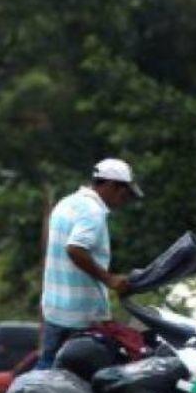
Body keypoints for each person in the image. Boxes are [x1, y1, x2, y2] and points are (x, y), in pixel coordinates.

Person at [37, 158, 141, 369]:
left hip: (55, 309)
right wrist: (109, 279)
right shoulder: (93, 212)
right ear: (111, 185)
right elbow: (75, 248)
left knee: (47, 370)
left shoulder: (66, 204)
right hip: (80, 317)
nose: (124, 199)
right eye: (124, 193)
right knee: (79, 378)